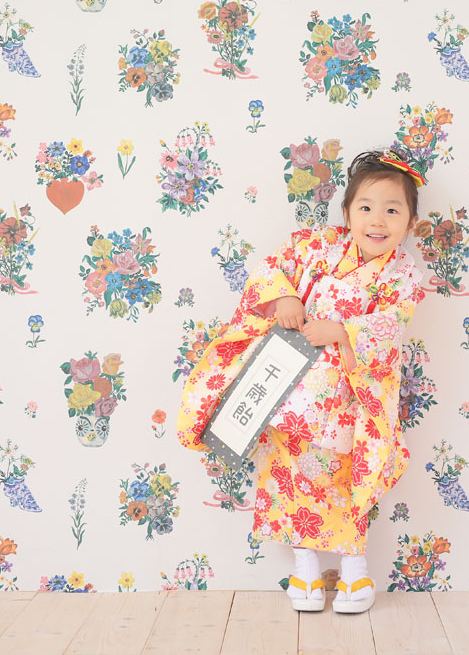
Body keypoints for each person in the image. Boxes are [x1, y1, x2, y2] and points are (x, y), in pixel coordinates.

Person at [176, 148, 427, 614]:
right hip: (289, 389)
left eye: (392, 211)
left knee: (349, 480)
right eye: (366, 207)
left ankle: (354, 571)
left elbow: (391, 326)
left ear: (410, 223)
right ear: (347, 213)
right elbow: (270, 270)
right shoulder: (314, 246)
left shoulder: (403, 276)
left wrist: (343, 330)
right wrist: (285, 297)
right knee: (288, 478)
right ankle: (305, 569)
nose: (377, 220)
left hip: (348, 397)